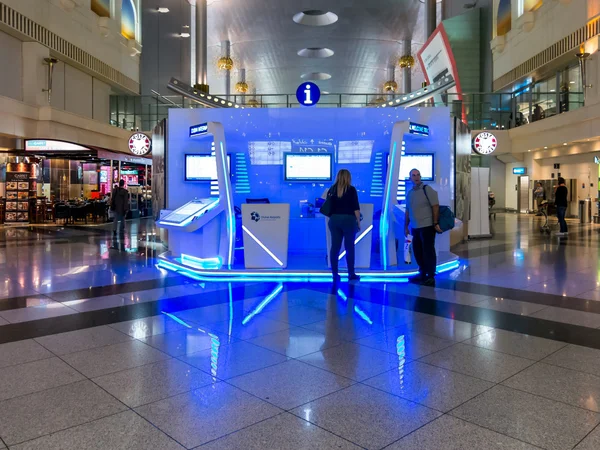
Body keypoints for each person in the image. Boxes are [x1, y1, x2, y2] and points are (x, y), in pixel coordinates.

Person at [404, 169, 442, 286]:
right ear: (410, 178)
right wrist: (406, 226)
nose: (416, 177)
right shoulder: (410, 193)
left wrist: (435, 223)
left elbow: (435, 206)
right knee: (418, 251)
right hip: (415, 227)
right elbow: (408, 211)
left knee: (428, 251)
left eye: (418, 175)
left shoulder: (427, 189)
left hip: (427, 226)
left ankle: (430, 275)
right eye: (413, 175)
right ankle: (422, 272)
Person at [326, 169, 361, 283]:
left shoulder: (332, 189)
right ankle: (351, 273)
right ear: (348, 177)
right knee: (349, 247)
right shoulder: (351, 190)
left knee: (335, 248)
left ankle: (335, 274)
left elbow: (326, 205)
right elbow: (356, 208)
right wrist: (358, 222)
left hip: (334, 220)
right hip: (348, 220)